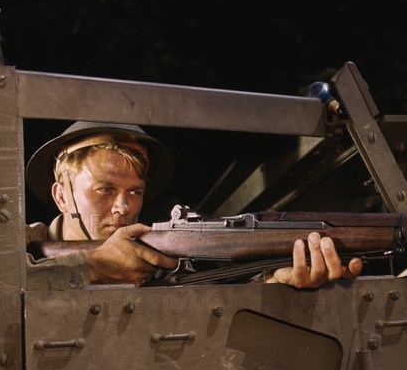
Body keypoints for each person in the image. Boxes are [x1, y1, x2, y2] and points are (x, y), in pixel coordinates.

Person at [25, 121, 363, 288]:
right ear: (61, 195)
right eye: (104, 189)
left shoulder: (157, 255)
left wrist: (276, 286)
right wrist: (91, 266)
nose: (123, 207)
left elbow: (212, 312)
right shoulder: (15, 248)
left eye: (135, 192)